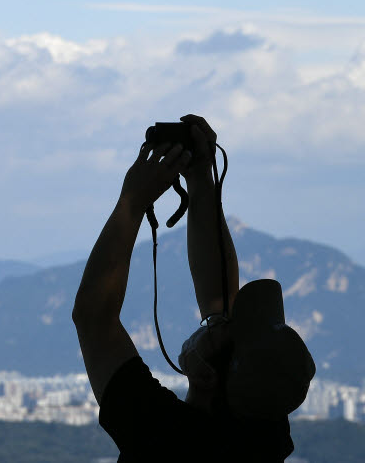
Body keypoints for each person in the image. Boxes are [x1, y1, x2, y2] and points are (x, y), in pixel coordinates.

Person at [71, 115, 314, 462]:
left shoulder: (164, 437)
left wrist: (132, 201)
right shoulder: (264, 431)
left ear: (204, 373)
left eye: (225, 329)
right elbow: (221, 303)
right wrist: (200, 178)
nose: (222, 318)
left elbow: (94, 318)